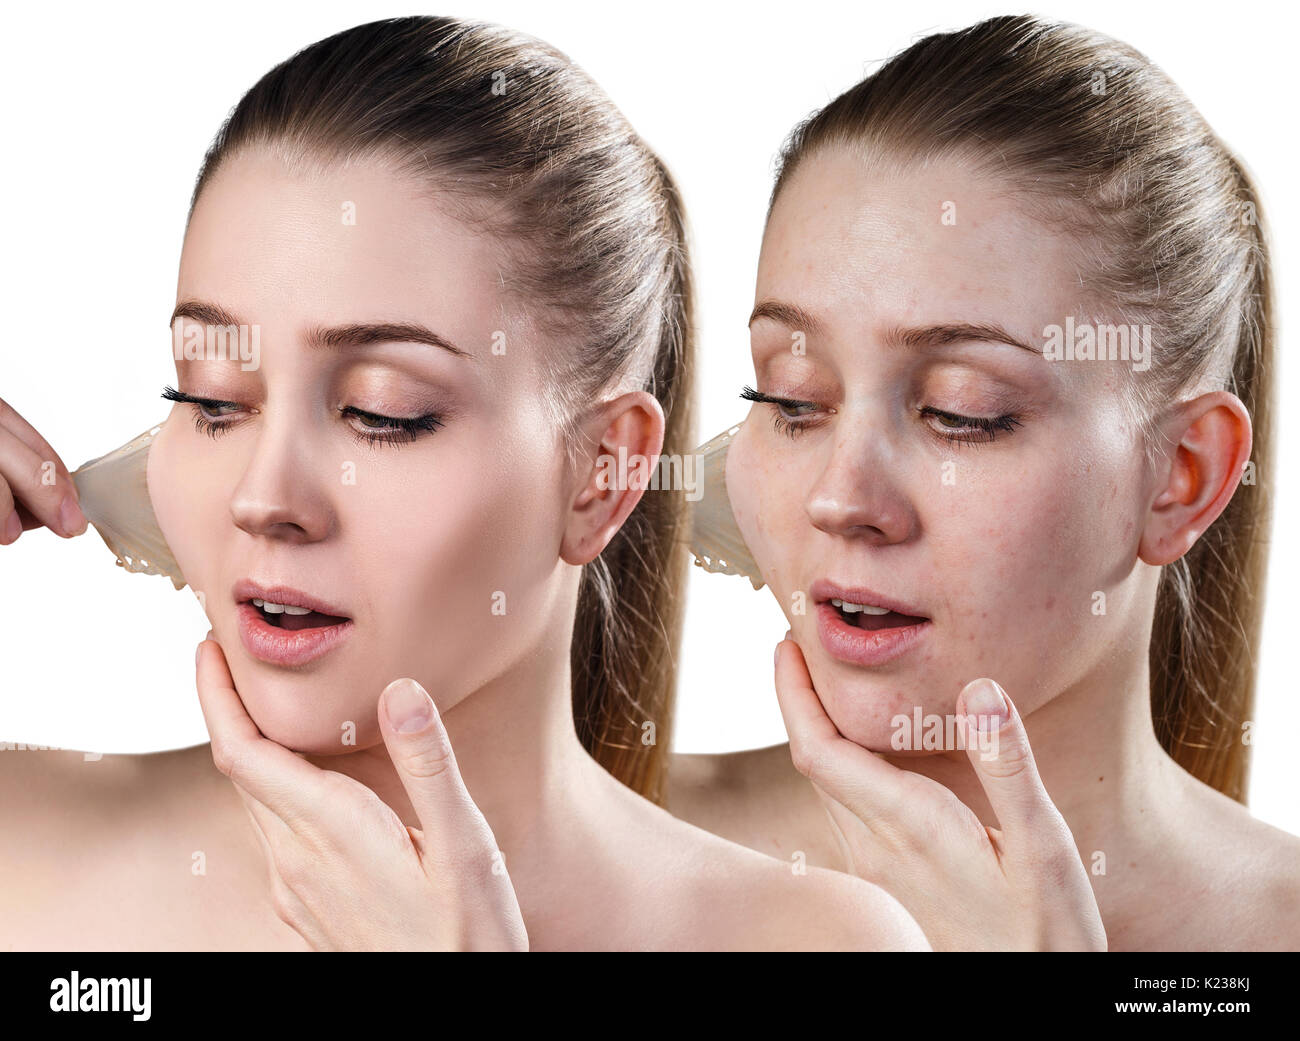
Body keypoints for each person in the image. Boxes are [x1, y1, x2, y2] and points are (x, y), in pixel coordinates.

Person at [670, 13, 1300, 951]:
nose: (841, 498)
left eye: (962, 413)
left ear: (1181, 475)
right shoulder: (543, 867)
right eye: (791, 397)